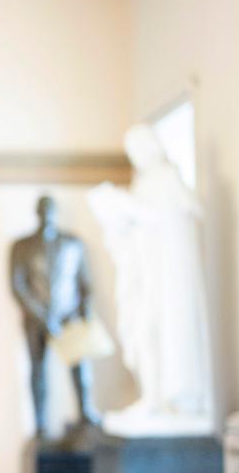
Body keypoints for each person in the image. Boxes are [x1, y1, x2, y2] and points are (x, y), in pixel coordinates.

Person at [88, 123, 213, 427]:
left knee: (164, 331)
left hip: (167, 277)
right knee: (144, 332)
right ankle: (153, 396)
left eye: (138, 149)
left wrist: (132, 210)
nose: (136, 157)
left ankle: (169, 397)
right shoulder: (143, 184)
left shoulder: (168, 179)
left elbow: (177, 217)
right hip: (147, 273)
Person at [10, 195, 101, 439]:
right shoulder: (21, 246)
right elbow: (18, 286)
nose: (46, 215)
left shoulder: (73, 244)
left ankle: (85, 411)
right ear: (36, 213)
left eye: (49, 210)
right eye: (42, 210)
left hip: (68, 315)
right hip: (36, 318)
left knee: (79, 367)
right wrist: (41, 315)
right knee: (37, 371)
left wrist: (85, 315)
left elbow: (85, 284)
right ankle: (39, 424)